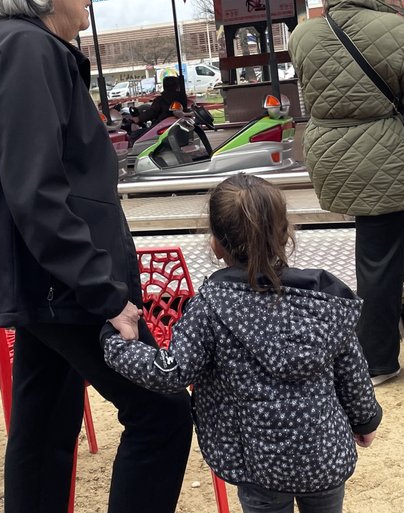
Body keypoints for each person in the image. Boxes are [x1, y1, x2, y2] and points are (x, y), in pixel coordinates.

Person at [0, 0, 192, 513]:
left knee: (45, 424)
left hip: (43, 283)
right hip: (66, 286)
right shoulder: (28, 51)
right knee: (160, 416)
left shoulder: (4, 46)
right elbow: (38, 192)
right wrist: (106, 293)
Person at [102, 173, 382, 513]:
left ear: (216, 243)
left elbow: (172, 372)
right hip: (324, 454)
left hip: (256, 462)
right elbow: (352, 371)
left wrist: (116, 344)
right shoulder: (325, 300)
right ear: (285, 233)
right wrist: (365, 421)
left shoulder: (210, 306)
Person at [288, 0, 404, 386]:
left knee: (381, 230)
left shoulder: (303, 37)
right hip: (383, 152)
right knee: (376, 257)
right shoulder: (396, 28)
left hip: (331, 152)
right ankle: (378, 360)